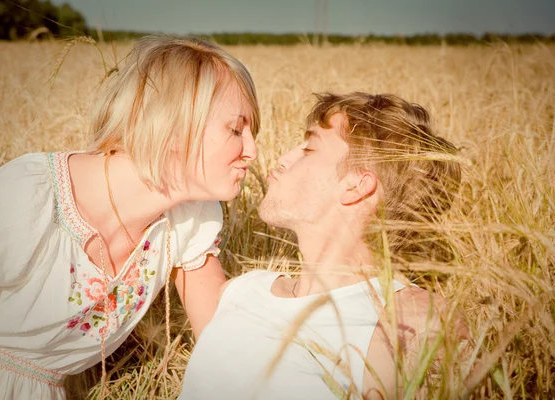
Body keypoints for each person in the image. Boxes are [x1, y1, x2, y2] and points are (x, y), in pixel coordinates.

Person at [0, 36, 260, 399]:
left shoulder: (190, 220)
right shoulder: (30, 195)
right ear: (175, 125)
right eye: (236, 129)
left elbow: (224, 345)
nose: (253, 151)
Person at [179, 92, 470, 399]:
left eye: (308, 148)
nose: (283, 158)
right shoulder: (241, 291)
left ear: (357, 185)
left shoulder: (407, 318)